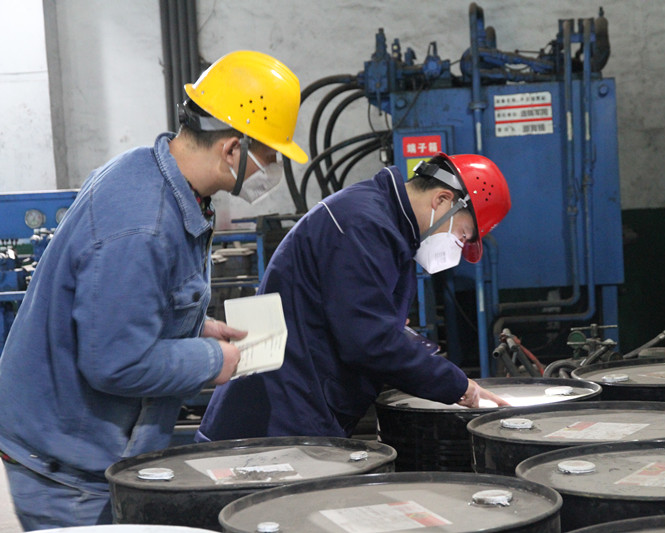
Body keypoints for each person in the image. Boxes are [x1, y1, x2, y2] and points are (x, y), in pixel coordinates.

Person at [0, 50, 308, 529]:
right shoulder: (144, 223)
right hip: (66, 472)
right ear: (232, 149)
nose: (266, 173)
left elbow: (125, 305)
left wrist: (195, 325)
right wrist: (214, 361)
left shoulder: (151, 174)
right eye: (268, 157)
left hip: (79, 453)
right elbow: (115, 361)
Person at [197, 152, 512, 441]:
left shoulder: (386, 229)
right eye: (461, 235)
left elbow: (366, 324)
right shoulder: (363, 226)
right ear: (443, 199)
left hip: (296, 406)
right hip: (273, 423)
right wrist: (457, 385)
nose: (457, 248)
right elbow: (370, 340)